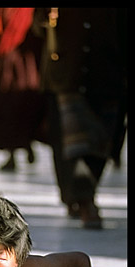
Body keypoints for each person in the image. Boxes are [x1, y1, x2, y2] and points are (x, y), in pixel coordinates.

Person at [32, 8, 127, 228]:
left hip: (108, 72)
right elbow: (39, 24)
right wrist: (46, 18)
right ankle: (84, 199)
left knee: (102, 139)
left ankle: (83, 193)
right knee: (71, 142)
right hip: (67, 73)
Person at [0, 8, 49, 171]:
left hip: (30, 50)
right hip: (9, 57)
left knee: (27, 100)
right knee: (8, 103)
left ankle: (27, 143)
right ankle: (14, 150)